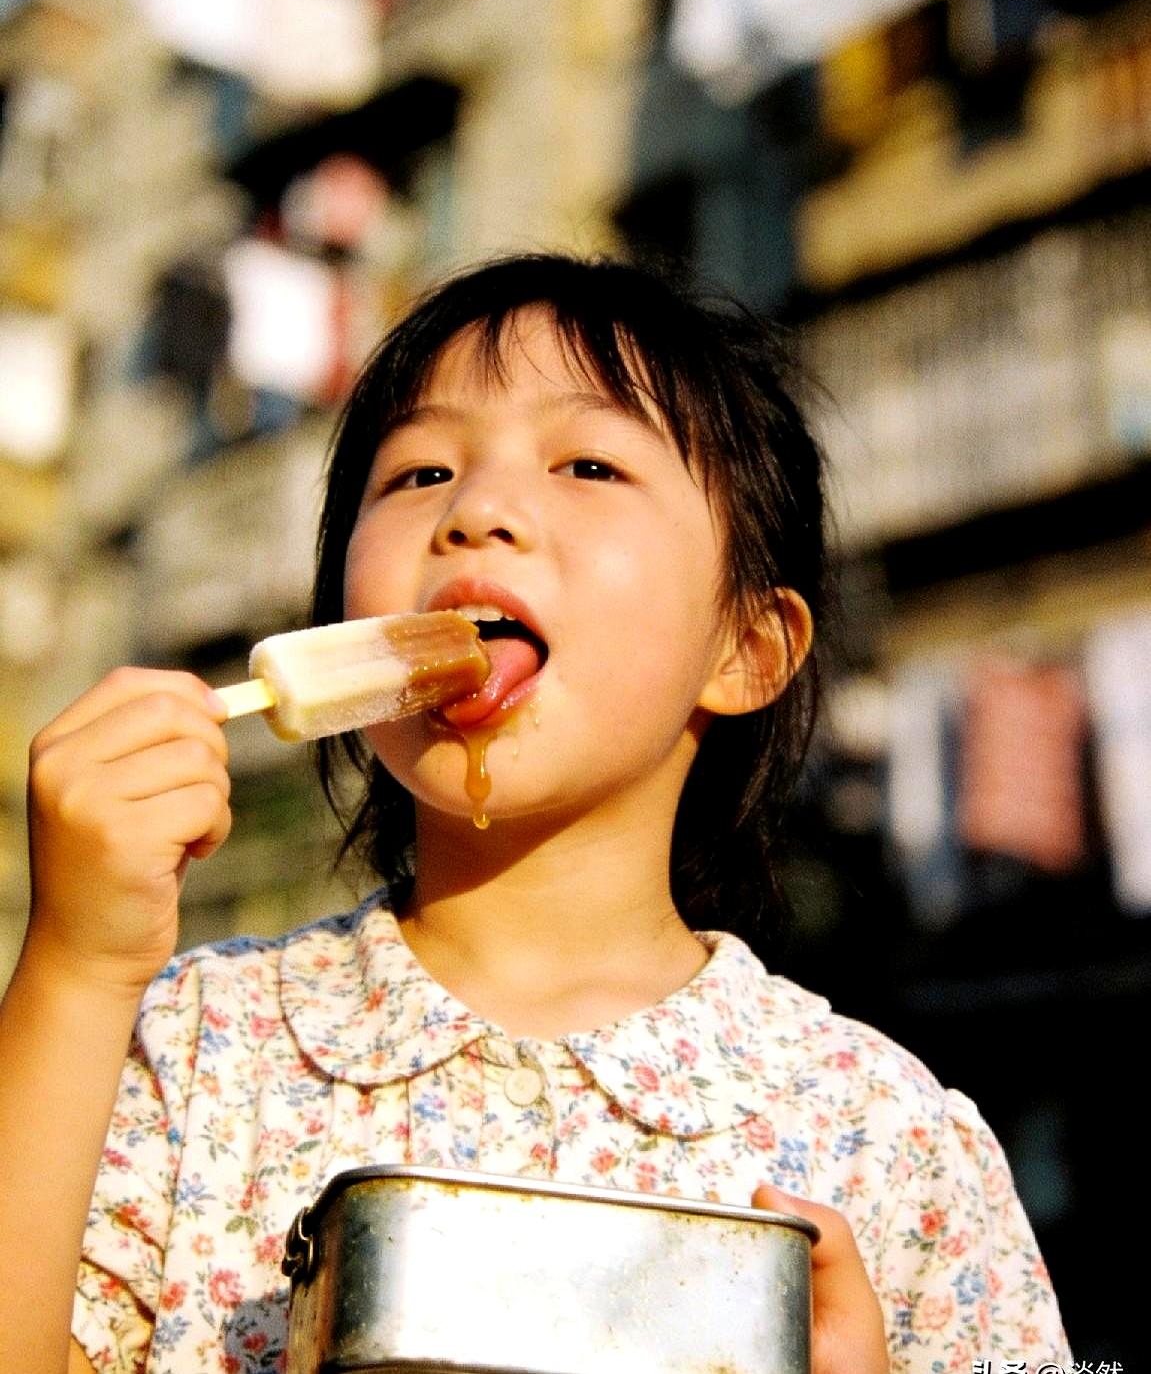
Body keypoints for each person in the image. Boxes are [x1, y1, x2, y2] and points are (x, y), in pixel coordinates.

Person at [0, 251, 1070, 1374]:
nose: (478, 510)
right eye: (417, 473)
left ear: (744, 648)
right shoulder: (182, 1056)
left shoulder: (888, 1139)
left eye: (589, 462)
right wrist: (76, 962)